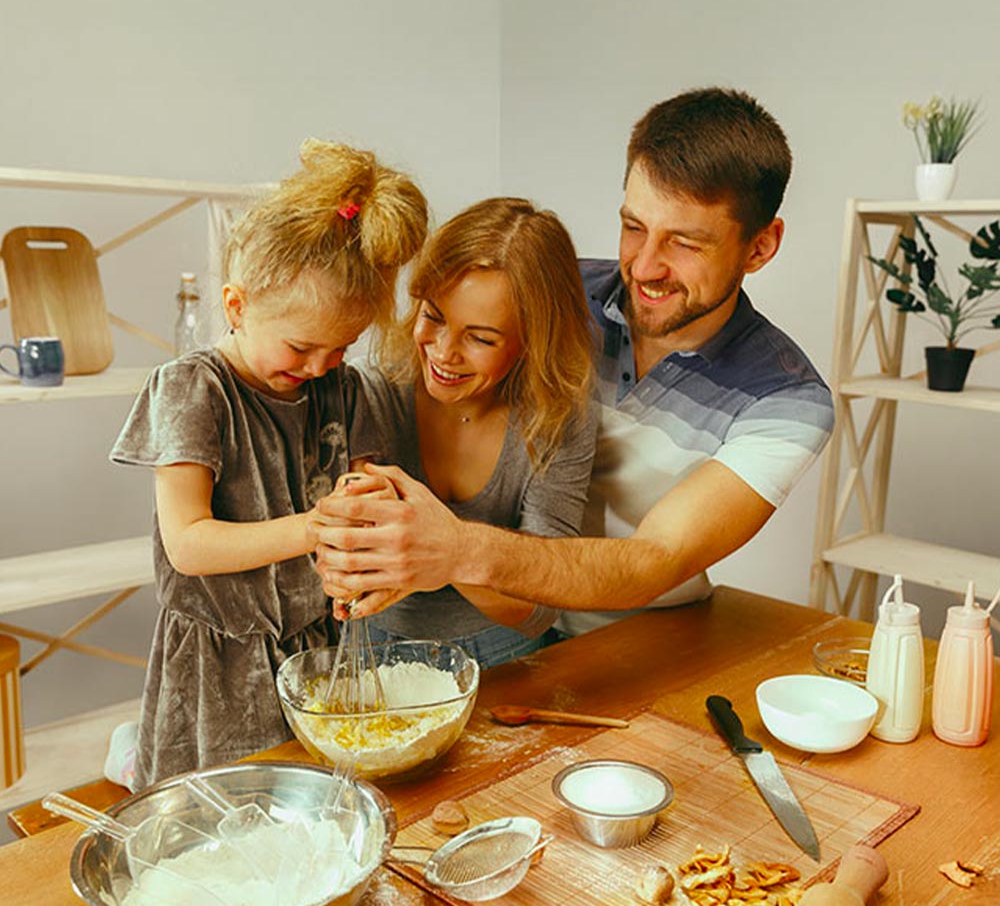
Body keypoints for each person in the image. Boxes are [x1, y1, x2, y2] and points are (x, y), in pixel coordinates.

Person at [311, 87, 835, 632]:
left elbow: (658, 558)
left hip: (641, 635)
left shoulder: (787, 401)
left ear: (760, 247)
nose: (646, 267)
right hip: (508, 629)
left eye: (685, 243)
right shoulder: (543, 294)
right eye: (634, 227)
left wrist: (456, 548)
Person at [108, 139, 427, 787]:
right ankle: (135, 752)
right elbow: (189, 545)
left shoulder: (344, 388)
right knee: (226, 814)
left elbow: (365, 502)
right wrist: (317, 528)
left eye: (339, 349)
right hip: (218, 661)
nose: (317, 369)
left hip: (315, 646)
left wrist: (364, 546)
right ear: (236, 306)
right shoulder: (193, 391)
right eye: (301, 347)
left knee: (309, 804)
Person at [326, 197, 598, 667]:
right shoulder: (374, 387)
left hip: (504, 657)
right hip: (368, 646)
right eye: (433, 316)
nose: (444, 352)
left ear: (531, 343)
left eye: (481, 338)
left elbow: (540, 608)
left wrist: (449, 553)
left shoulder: (558, 418)